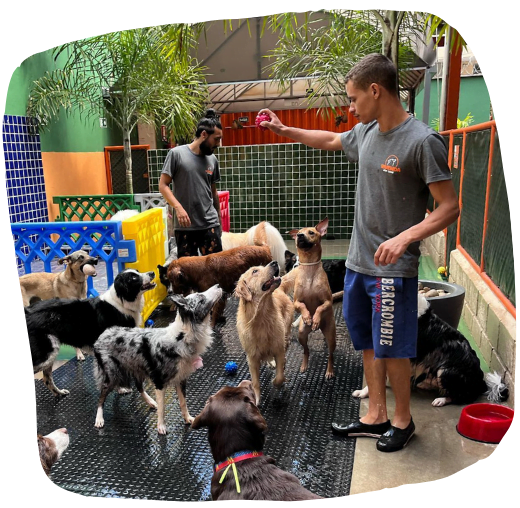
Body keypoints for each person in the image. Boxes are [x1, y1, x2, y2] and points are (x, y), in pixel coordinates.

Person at [257, 53, 459, 453]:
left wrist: (404, 238)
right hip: (358, 264)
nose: (350, 107)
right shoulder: (366, 132)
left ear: (375, 90)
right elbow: (331, 140)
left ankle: (402, 421)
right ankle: (375, 415)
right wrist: (284, 129)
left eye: (353, 98)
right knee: (366, 341)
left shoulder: (422, 141)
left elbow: (449, 207)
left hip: (392, 271)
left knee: (392, 348)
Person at [159, 109, 224, 257]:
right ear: (204, 134)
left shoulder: (212, 159)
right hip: (185, 227)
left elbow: (213, 191)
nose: (218, 144)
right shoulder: (176, 154)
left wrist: (219, 220)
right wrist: (178, 208)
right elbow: (163, 185)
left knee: (215, 268)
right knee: (187, 270)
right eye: (216, 139)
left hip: (210, 224)